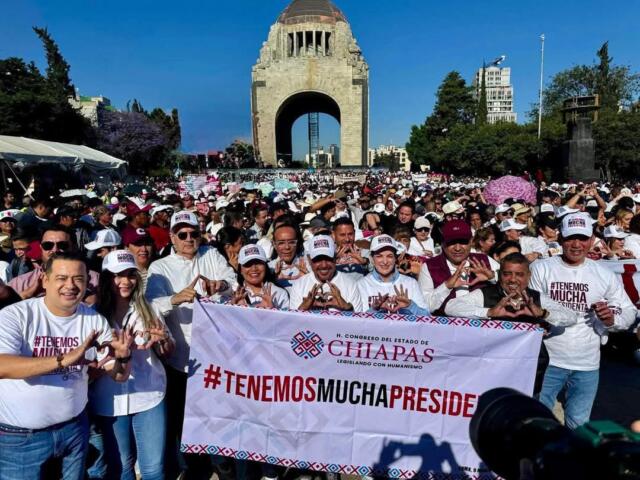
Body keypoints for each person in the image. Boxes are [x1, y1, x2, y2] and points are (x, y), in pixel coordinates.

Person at [0, 252, 133, 480]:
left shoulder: (93, 320)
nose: (70, 286)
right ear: (45, 280)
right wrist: (65, 359)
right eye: (62, 278)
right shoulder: (16, 315)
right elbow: (3, 366)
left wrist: (123, 358)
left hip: (74, 430)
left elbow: (118, 375)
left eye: (78, 279)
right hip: (20, 438)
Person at [145, 210, 237, 478]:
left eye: (193, 233)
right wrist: (174, 299)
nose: (188, 239)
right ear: (172, 237)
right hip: (180, 360)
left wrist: (219, 284)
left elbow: (232, 281)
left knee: (220, 420)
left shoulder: (211, 254)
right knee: (186, 425)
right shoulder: (159, 268)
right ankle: (196, 470)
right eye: (182, 234)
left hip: (217, 357)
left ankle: (225, 469)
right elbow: (149, 307)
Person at [529, 212, 637, 429]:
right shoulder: (541, 268)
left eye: (582, 238)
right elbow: (531, 310)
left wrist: (611, 319)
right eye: (570, 238)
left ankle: (572, 462)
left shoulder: (603, 273)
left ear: (591, 240)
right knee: (536, 421)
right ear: (560, 239)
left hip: (587, 362)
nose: (576, 244)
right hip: (548, 359)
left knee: (579, 424)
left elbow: (629, 311)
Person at [90, 250, 174, 480]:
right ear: (107, 278)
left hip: (150, 395)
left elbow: (168, 352)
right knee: (121, 467)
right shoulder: (92, 316)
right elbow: (89, 365)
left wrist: (163, 340)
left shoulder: (150, 309)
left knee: (153, 469)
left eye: (130, 275)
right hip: (110, 400)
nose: (125, 281)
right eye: (117, 275)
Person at [445, 253, 578, 394]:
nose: (512, 280)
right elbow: (451, 307)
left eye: (519, 274)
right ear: (499, 274)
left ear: (529, 275)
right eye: (507, 274)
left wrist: (543, 313)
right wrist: (488, 312)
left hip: (529, 373)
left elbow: (571, 317)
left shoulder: (537, 297)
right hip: (491, 374)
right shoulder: (485, 294)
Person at [418, 220, 494, 314]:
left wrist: (492, 278)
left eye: (463, 242)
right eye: (451, 242)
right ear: (443, 243)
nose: (457, 248)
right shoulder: (429, 267)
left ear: (471, 241)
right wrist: (446, 286)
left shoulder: (485, 261)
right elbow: (425, 307)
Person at [9, 225, 100, 303]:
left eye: (62, 245)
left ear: (74, 247)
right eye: (48, 245)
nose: (55, 250)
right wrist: (28, 294)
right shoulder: (18, 283)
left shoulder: (95, 280)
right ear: (40, 248)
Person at [288, 235, 364, 312]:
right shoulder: (299, 286)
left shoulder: (350, 284)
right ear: (310, 260)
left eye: (328, 258)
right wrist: (303, 308)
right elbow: (293, 322)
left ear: (335, 258)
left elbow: (359, 322)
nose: (324, 265)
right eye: (318, 259)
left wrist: (346, 307)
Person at [358, 234, 429, 315]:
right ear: (371, 258)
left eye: (389, 256)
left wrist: (409, 306)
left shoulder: (411, 283)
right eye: (379, 256)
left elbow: (427, 318)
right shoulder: (361, 285)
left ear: (396, 258)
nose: (385, 262)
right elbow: (356, 322)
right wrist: (374, 310)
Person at [229, 244, 289, 309]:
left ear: (265, 266)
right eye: (248, 264)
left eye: (258, 263)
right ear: (240, 269)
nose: (254, 268)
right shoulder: (231, 291)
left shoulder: (279, 293)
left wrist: (271, 310)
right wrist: (233, 309)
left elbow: (287, 319)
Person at [269, 223, 308, 288]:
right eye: (281, 243)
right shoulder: (269, 268)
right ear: (274, 244)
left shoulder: (308, 265)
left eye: (291, 242)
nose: (287, 247)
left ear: (297, 243)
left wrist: (307, 278)